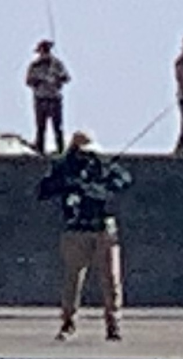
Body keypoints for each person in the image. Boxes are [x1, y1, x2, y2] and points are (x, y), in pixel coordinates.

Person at [37, 130, 132, 341]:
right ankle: (68, 322)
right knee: (73, 279)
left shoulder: (102, 165)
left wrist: (98, 188)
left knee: (111, 279)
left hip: (103, 228)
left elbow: (124, 179)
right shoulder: (62, 168)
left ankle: (113, 323)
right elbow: (43, 190)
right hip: (76, 228)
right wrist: (67, 184)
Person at [24, 40, 71, 155]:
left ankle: (60, 150)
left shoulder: (57, 64)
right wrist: (40, 80)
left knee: (57, 127)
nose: (44, 53)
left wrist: (58, 78)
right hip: (41, 99)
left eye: (46, 50)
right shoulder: (34, 66)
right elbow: (28, 81)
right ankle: (40, 151)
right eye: (42, 50)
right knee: (41, 128)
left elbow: (67, 78)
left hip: (54, 99)